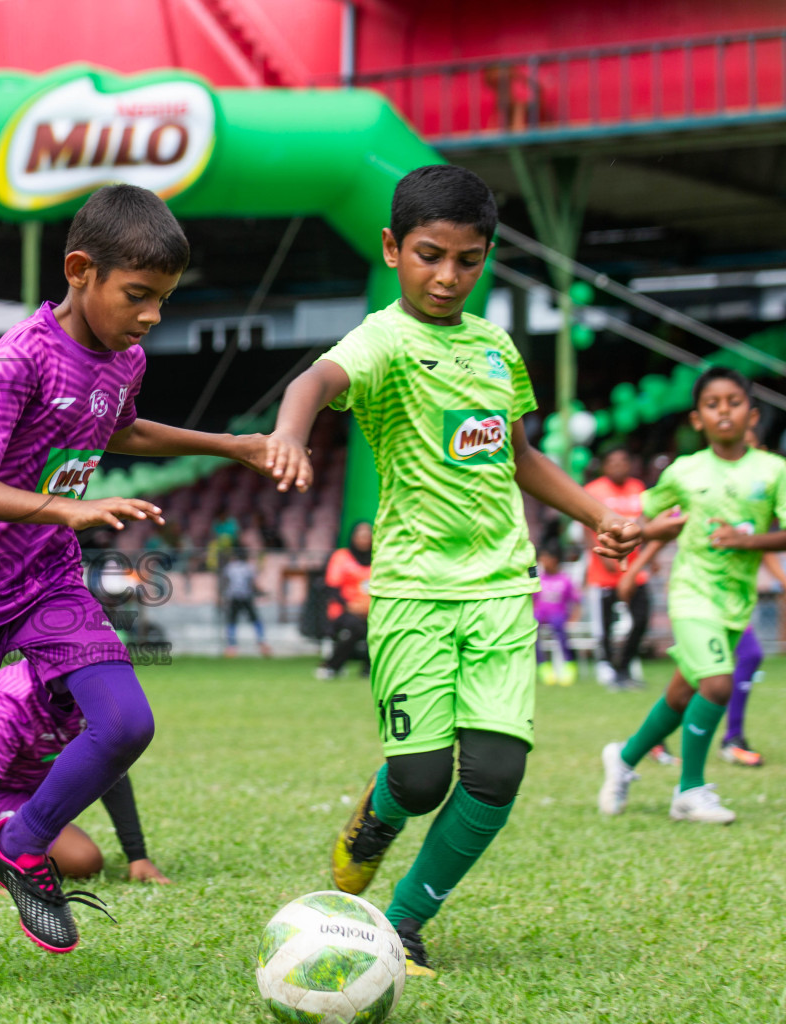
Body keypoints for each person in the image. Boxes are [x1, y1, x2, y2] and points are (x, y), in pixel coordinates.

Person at [0, 184, 276, 986]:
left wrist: (230, 445)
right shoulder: (18, 358)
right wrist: (68, 509)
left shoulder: (125, 359)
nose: (149, 318)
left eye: (163, 301)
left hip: (47, 579)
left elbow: (122, 426)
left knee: (125, 722)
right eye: (137, 296)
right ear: (81, 271)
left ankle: (22, 841)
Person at [264, 164, 640, 977]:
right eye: (429, 255)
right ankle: (375, 817)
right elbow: (316, 380)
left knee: (498, 773)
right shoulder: (382, 339)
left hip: (504, 588)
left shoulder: (498, 347)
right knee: (423, 779)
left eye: (468, 260)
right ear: (394, 248)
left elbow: (521, 455)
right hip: (411, 593)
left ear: (487, 258)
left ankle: (402, 923)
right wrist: (292, 429)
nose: (447, 276)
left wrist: (601, 514)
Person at [598, 367, 786, 826]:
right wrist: (629, 548)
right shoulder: (685, 471)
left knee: (683, 695)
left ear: (753, 415)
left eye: (734, 402)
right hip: (691, 594)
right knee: (718, 682)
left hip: (735, 602)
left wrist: (746, 542)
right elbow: (647, 519)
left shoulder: (773, 470)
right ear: (697, 419)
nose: (724, 411)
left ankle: (623, 759)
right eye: (712, 404)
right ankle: (690, 790)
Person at [616, 429, 786, 769]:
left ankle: (629, 755)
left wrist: (780, 577)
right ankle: (726, 745)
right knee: (730, 668)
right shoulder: (702, 480)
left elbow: (758, 543)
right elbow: (667, 530)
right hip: (695, 595)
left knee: (686, 686)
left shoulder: (765, 483)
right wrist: (634, 571)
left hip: (735, 601)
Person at [0, 658, 169, 893]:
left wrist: (137, 856)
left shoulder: (90, 688)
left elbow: (108, 767)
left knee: (82, 857)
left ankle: (12, 839)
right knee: (83, 860)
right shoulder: (11, 699)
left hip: (35, 781)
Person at [585, 446, 650, 688]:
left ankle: (625, 666)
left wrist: (648, 558)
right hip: (605, 574)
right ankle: (610, 670)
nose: (619, 466)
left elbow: (645, 521)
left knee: (641, 619)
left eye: (624, 461)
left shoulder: (638, 488)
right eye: (613, 462)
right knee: (607, 625)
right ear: (605, 466)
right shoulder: (594, 490)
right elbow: (586, 525)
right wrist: (603, 557)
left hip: (635, 572)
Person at [319, 521, 373, 679]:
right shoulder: (341, 557)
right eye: (360, 536)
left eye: (367, 536)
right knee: (355, 627)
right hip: (344, 610)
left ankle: (369, 668)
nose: (364, 539)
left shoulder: (378, 558)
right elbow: (332, 587)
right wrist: (349, 606)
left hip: (371, 610)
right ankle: (332, 666)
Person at [533, 544, 580, 686]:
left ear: (554, 560)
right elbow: (531, 600)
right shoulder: (538, 578)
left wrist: (574, 619)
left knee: (559, 626)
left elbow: (576, 601)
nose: (542, 561)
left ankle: (569, 665)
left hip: (558, 616)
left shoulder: (565, 579)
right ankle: (543, 666)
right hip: (540, 615)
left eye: (545, 558)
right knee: (532, 629)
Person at [221, 547, 271, 657]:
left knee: (232, 621)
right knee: (255, 619)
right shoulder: (249, 567)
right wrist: (263, 593)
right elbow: (252, 583)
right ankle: (262, 642)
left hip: (234, 597)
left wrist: (222, 596)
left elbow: (226, 582)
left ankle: (231, 646)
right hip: (246, 597)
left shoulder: (230, 567)